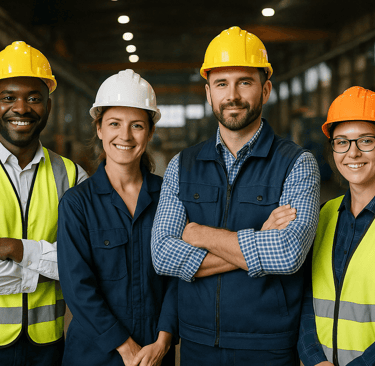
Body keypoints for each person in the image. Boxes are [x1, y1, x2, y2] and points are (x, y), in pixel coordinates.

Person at [151, 26, 320, 365]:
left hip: (268, 345)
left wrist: (199, 234)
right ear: (208, 93)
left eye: (245, 82)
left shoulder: (297, 164)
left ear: (266, 89)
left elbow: (287, 254)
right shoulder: (181, 165)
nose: (233, 95)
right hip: (197, 344)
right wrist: (260, 239)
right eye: (221, 84)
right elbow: (163, 255)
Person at [57, 69, 178, 366]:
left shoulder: (169, 197)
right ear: (99, 129)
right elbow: (77, 287)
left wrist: (163, 342)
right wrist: (126, 348)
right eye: (114, 124)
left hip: (154, 353)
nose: (124, 136)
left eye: (136, 125)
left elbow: (179, 278)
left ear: (149, 133)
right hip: (94, 355)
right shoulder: (77, 204)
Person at [0, 41, 87, 366]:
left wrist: (14, 249)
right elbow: (65, 264)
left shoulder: (71, 174)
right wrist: (47, 263)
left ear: (49, 106)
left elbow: (82, 262)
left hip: (49, 343)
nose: (21, 108)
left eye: (33, 98)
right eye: (8, 97)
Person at [298, 86, 375, 366]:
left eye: (366, 141)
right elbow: (306, 298)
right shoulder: (323, 216)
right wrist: (314, 360)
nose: (352, 153)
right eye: (342, 142)